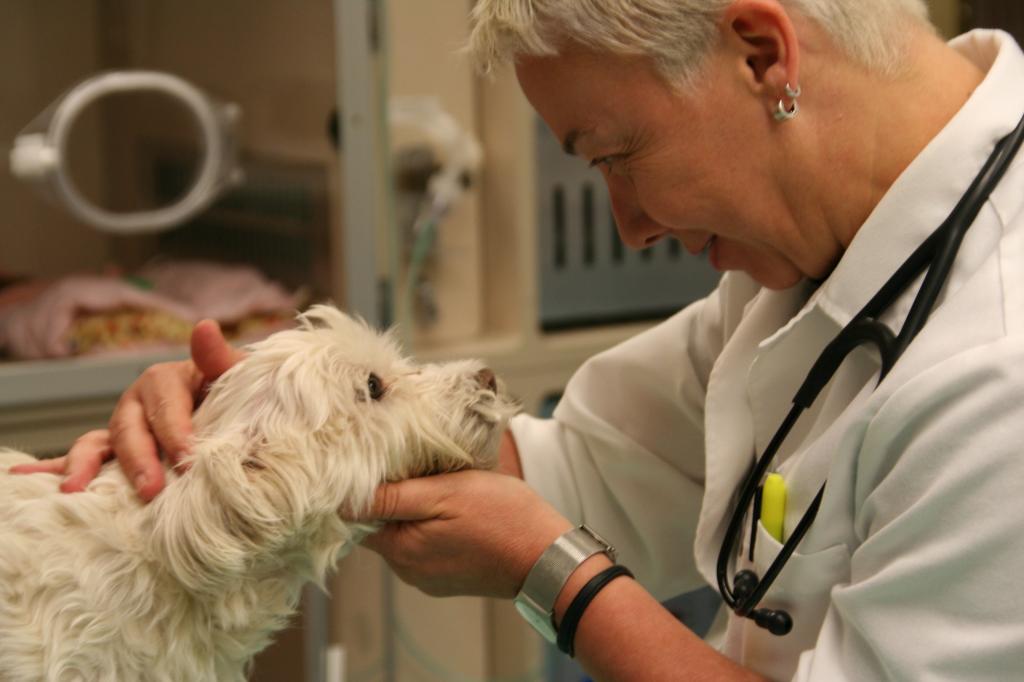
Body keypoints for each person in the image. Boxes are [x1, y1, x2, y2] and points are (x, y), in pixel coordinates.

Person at [14, 0, 1024, 678]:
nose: (628, 225)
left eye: (615, 154)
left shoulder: (999, 359)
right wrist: (243, 416)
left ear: (762, 54)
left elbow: (545, 524)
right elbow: (572, 469)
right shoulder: (817, 254)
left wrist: (559, 577)